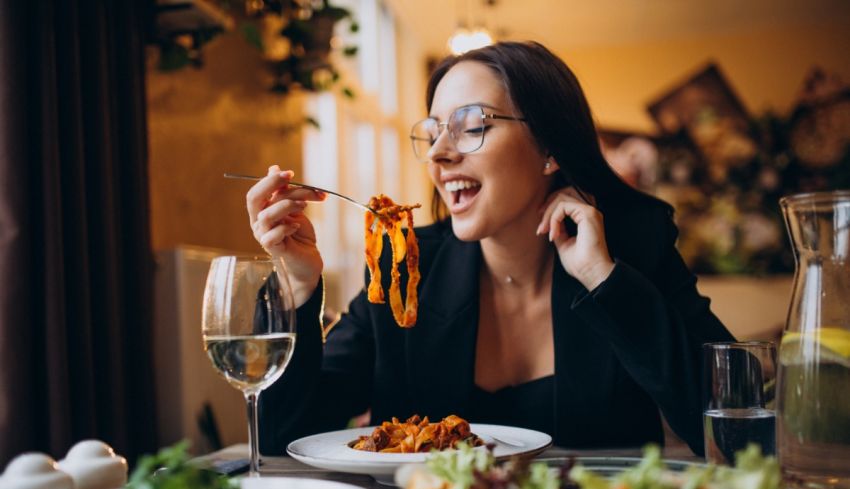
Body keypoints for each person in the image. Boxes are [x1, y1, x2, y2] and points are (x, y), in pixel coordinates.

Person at [245, 41, 734, 456]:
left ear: (549, 149)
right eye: (433, 131)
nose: (438, 153)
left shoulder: (632, 249)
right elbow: (284, 437)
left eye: (472, 125)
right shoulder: (406, 268)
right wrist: (298, 285)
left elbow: (734, 430)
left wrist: (602, 278)